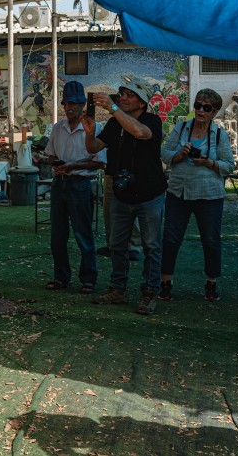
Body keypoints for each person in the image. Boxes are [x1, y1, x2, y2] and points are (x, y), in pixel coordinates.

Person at [83, 77, 166, 315]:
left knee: (151, 246)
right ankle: (118, 289)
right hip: (122, 192)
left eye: (130, 95)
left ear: (143, 103)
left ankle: (150, 292)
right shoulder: (113, 123)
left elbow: (140, 132)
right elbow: (92, 148)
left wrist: (113, 107)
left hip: (150, 194)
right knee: (117, 245)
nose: (124, 98)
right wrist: (89, 133)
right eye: (122, 93)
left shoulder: (152, 120)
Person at [158, 89, 235, 301]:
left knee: (210, 240)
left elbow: (229, 166)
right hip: (178, 192)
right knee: (171, 238)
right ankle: (165, 281)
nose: (200, 110)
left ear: (214, 112)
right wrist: (180, 154)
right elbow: (165, 154)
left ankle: (211, 282)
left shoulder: (219, 135)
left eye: (206, 108)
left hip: (209, 195)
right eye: (198, 105)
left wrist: (209, 162)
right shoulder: (181, 128)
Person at [43, 81, 106, 293]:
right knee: (57, 235)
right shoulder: (57, 127)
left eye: (73, 103)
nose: (68, 107)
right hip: (59, 183)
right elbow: (50, 153)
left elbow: (99, 162)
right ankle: (61, 277)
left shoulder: (93, 128)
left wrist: (73, 166)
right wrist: (57, 164)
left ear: (81, 105)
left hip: (80, 183)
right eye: (65, 103)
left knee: (83, 234)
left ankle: (88, 279)